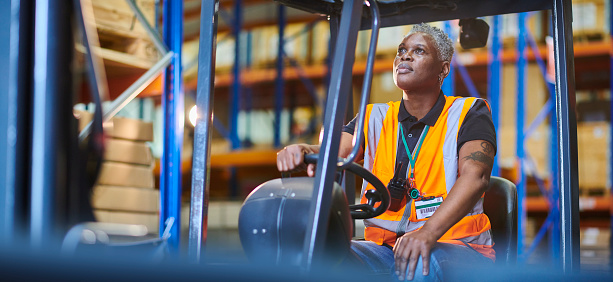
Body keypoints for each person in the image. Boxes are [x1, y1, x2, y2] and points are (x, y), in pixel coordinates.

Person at [276, 23, 496, 281]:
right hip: (386, 248)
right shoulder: (374, 117)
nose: (404, 56)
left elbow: (475, 177)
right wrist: (303, 150)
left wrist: (427, 232)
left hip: (457, 246)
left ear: (443, 69)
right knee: (324, 257)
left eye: (419, 51)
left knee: (418, 264)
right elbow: (334, 151)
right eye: (401, 50)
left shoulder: (469, 112)